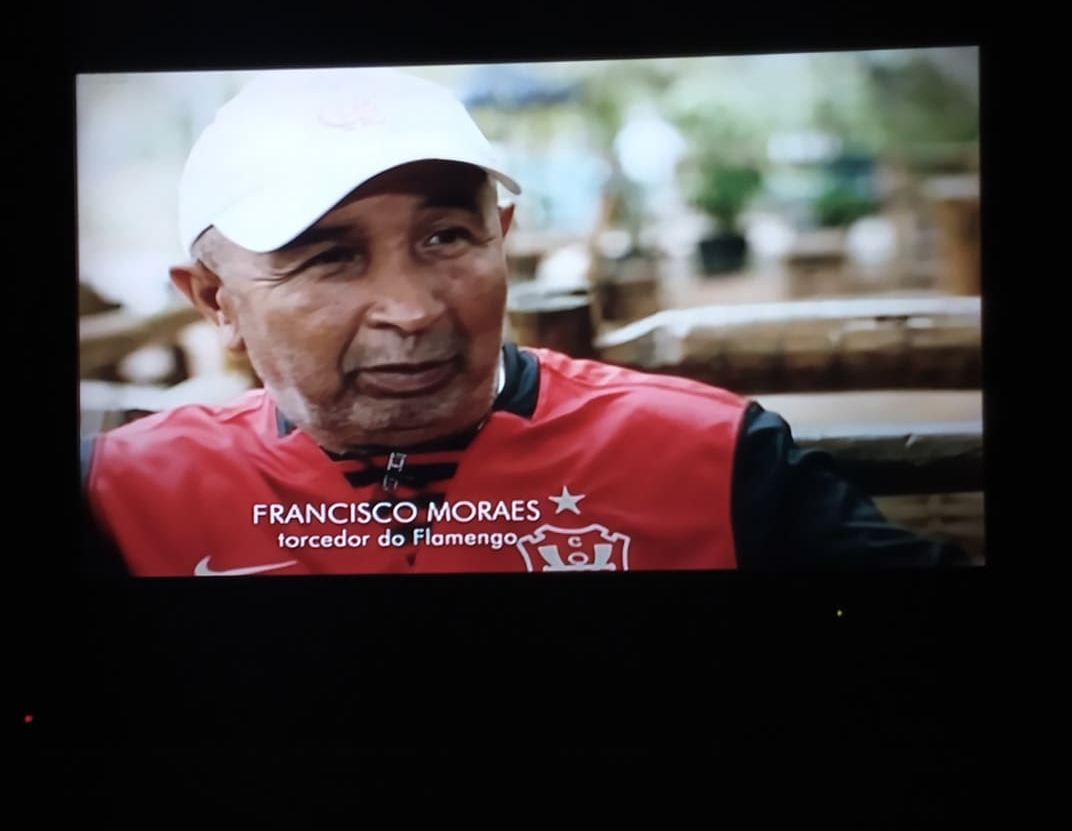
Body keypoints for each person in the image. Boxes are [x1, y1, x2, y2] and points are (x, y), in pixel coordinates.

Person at [80, 67, 969, 576]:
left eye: (446, 235)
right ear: (214, 300)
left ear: (502, 236)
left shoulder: (711, 460)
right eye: (329, 257)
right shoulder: (124, 498)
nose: (414, 308)